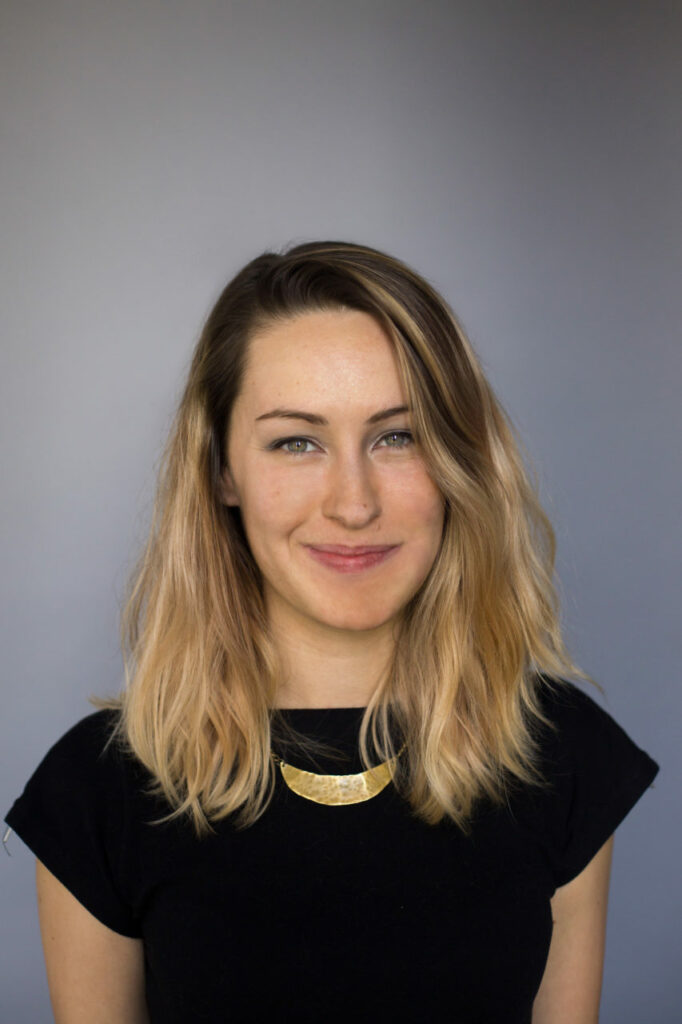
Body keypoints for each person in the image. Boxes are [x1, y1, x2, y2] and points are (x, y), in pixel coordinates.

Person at [5, 241, 658, 1023]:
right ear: (222, 471)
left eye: (397, 436)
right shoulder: (97, 792)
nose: (354, 503)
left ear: (459, 460)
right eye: (296, 442)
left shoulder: (560, 755)